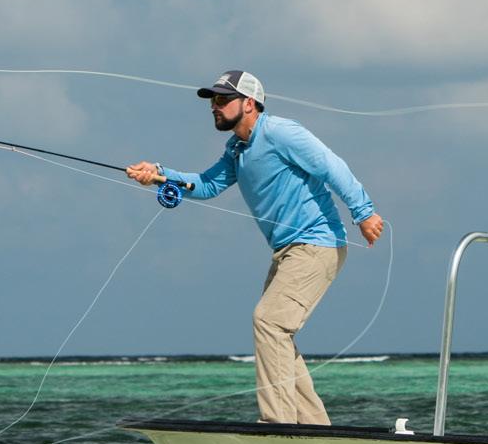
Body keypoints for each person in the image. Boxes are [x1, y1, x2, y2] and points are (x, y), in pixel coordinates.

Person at [127, 70, 385, 425]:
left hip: (317, 245)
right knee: (278, 335)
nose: (214, 107)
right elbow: (206, 185)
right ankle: (314, 427)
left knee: (269, 322)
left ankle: (279, 423)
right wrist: (159, 173)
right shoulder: (236, 148)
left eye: (222, 99)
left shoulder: (280, 132)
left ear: (249, 103)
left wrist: (364, 213)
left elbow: (331, 166)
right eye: (212, 100)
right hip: (287, 252)